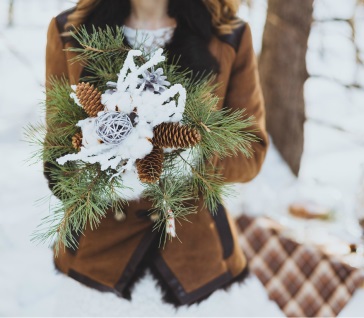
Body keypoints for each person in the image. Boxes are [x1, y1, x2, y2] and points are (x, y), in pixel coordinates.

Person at [45, 0, 271, 312]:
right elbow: (57, 155)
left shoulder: (229, 35)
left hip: (197, 260)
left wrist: (193, 159)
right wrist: (102, 172)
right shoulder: (69, 32)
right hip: (97, 260)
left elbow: (252, 151)